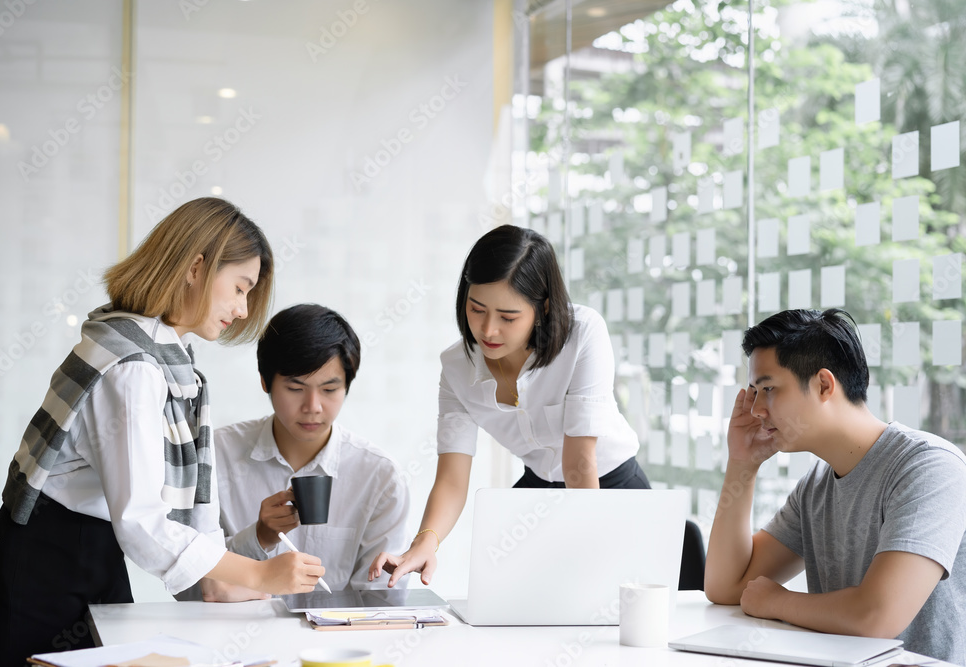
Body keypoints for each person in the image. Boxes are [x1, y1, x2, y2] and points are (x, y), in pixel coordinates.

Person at [0, 198, 324, 666]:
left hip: (88, 552)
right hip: (45, 562)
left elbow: (193, 516)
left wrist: (224, 578)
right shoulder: (134, 366)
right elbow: (143, 522)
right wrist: (260, 577)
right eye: (240, 288)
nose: (243, 310)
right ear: (197, 267)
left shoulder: (168, 358)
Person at [370, 225, 647, 587]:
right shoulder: (457, 367)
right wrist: (425, 542)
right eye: (476, 309)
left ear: (543, 307)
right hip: (538, 490)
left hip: (608, 488)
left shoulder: (583, 334)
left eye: (508, 317)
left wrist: (586, 549)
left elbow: (580, 462)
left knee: (608, 609)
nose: (488, 330)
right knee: (506, 601)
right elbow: (452, 477)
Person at [704, 308, 966, 665]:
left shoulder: (929, 466)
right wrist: (742, 465)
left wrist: (776, 601)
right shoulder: (816, 485)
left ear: (824, 385)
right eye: (754, 393)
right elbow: (727, 587)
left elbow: (876, 616)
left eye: (768, 389)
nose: (756, 411)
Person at [214, 304, 410, 592]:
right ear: (265, 382)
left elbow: (379, 600)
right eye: (295, 389)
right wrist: (259, 538)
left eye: (330, 390)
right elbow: (187, 584)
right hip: (228, 634)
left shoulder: (380, 477)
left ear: (347, 387)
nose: (313, 407)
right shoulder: (216, 455)